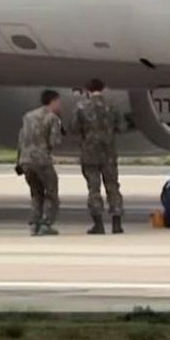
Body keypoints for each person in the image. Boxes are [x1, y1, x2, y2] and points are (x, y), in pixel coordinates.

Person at [71, 79, 126, 235]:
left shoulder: (81, 107)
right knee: (113, 187)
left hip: (89, 153)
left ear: (87, 90)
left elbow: (74, 128)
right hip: (108, 152)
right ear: (104, 89)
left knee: (94, 189)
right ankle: (116, 223)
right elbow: (122, 127)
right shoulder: (112, 107)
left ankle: (98, 224)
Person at [17, 90, 64, 236]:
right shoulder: (52, 118)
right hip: (42, 160)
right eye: (59, 102)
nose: (60, 105)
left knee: (36, 193)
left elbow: (21, 139)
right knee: (51, 193)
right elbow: (54, 141)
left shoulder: (28, 116)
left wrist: (18, 161)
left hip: (26, 160)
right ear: (53, 101)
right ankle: (46, 223)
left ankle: (34, 223)